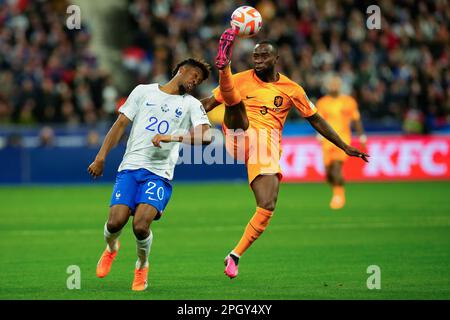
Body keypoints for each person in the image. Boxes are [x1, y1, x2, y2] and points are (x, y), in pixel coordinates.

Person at [201, 29, 369, 279]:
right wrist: (178, 115)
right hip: (240, 136)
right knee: (234, 101)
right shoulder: (241, 79)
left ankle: (235, 255)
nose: (257, 60)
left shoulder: (292, 89)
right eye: (255, 56)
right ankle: (223, 66)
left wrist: (344, 145)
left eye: (263, 56)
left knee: (267, 205)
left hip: (266, 146)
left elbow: (316, 119)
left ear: (276, 59)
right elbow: (206, 104)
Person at [88, 58, 212, 291]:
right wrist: (101, 156)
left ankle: (142, 265)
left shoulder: (191, 105)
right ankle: (111, 248)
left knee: (141, 226)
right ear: (181, 70)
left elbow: (206, 137)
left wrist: (173, 137)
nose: (195, 81)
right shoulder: (143, 91)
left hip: (159, 173)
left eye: (199, 81)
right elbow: (120, 124)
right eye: (194, 75)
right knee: (115, 222)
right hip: (130, 167)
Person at [316, 76, 367, 209]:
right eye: (331, 85)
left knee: (337, 167)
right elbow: (318, 120)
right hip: (327, 140)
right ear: (328, 87)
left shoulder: (349, 101)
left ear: (340, 86)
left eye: (336, 84)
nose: (334, 87)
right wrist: (319, 134)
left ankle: (339, 196)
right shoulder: (322, 102)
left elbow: (356, 120)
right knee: (328, 172)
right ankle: (336, 192)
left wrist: (361, 135)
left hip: (343, 139)